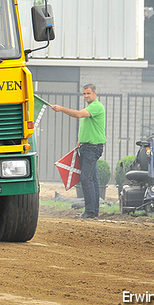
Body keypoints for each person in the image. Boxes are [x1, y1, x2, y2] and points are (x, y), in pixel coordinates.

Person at [51, 83, 107, 219]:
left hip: (92, 148)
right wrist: (80, 141)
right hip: (87, 146)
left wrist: (61, 109)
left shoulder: (95, 106)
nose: (86, 96)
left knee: (86, 179)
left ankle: (89, 212)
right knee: (93, 179)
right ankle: (93, 211)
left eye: (88, 93)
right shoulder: (91, 107)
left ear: (95, 93)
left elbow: (77, 115)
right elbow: (88, 127)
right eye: (84, 93)